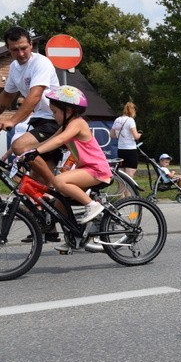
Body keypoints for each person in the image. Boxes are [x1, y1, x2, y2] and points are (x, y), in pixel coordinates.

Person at [0, 26, 61, 241]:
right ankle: (49, 228)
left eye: (24, 48)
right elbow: (5, 98)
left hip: (55, 119)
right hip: (39, 121)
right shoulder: (15, 68)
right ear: (8, 50)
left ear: (31, 45)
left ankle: (59, 186)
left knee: (19, 147)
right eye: (15, 50)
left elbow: (34, 96)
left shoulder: (40, 62)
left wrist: (12, 121)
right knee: (34, 181)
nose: (21, 53)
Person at [20, 86, 113, 252]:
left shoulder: (78, 123)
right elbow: (47, 143)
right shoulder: (65, 126)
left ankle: (92, 205)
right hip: (86, 169)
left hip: (96, 170)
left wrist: (36, 152)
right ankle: (74, 237)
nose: (53, 116)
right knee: (58, 202)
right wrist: (26, 153)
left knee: (58, 180)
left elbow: (59, 140)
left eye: (55, 112)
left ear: (68, 110)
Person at [111, 102, 141, 177]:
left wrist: (120, 136)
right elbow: (136, 136)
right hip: (130, 149)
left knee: (122, 176)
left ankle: (121, 189)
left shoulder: (117, 120)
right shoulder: (130, 120)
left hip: (121, 149)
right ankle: (129, 189)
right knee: (129, 175)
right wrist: (139, 134)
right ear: (132, 110)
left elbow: (111, 134)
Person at [1, 97, 31, 162]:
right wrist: (5, 156)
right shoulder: (18, 120)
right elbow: (17, 142)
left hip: (27, 157)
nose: (17, 107)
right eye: (17, 104)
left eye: (20, 104)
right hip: (18, 155)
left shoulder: (33, 119)